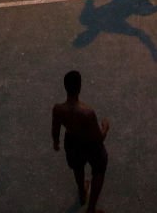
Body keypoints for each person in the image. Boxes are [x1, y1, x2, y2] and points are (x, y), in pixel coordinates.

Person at [52, 70, 109, 213]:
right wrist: (105, 127)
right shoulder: (87, 113)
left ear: (65, 87)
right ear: (80, 87)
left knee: (78, 168)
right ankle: (91, 209)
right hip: (90, 145)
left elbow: (55, 129)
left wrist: (56, 142)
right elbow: (98, 138)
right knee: (99, 170)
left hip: (71, 142)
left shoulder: (58, 109)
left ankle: (82, 192)